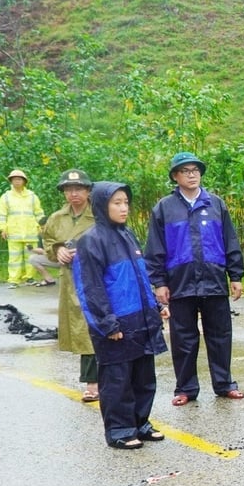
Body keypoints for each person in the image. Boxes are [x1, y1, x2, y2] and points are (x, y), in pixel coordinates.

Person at [72, 182, 168, 449]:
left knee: (144, 377)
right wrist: (107, 323)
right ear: (102, 205)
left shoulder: (127, 234)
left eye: (126, 202)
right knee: (117, 379)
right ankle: (120, 430)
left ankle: (140, 422)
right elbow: (90, 288)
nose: (124, 208)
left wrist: (155, 306)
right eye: (117, 203)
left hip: (141, 318)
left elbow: (140, 276)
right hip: (116, 321)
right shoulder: (91, 241)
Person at [145, 151, 244, 406]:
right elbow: (155, 248)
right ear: (175, 176)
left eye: (195, 170)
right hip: (180, 282)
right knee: (183, 338)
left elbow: (230, 240)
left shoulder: (216, 204)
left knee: (220, 335)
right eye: (185, 171)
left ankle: (224, 384)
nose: (192, 175)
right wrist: (159, 282)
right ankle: (186, 388)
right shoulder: (164, 208)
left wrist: (235, 275)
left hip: (213, 279)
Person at [42, 169, 98, 402]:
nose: (74, 194)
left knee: (96, 326)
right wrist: (58, 250)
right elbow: (48, 242)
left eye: (78, 189)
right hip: (71, 280)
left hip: (97, 278)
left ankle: (101, 380)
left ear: (88, 191)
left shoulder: (99, 214)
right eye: (69, 189)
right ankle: (92, 382)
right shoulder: (57, 218)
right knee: (83, 330)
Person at [0, 169, 45, 288]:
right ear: (11, 181)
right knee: (14, 258)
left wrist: (42, 226)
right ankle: (14, 280)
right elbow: (1, 214)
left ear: (24, 181)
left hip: (30, 232)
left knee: (31, 256)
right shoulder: (6, 197)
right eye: (14, 179)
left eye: (19, 179)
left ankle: (30, 278)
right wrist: (2, 228)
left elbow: (39, 213)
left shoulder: (32, 196)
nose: (17, 181)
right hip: (14, 232)